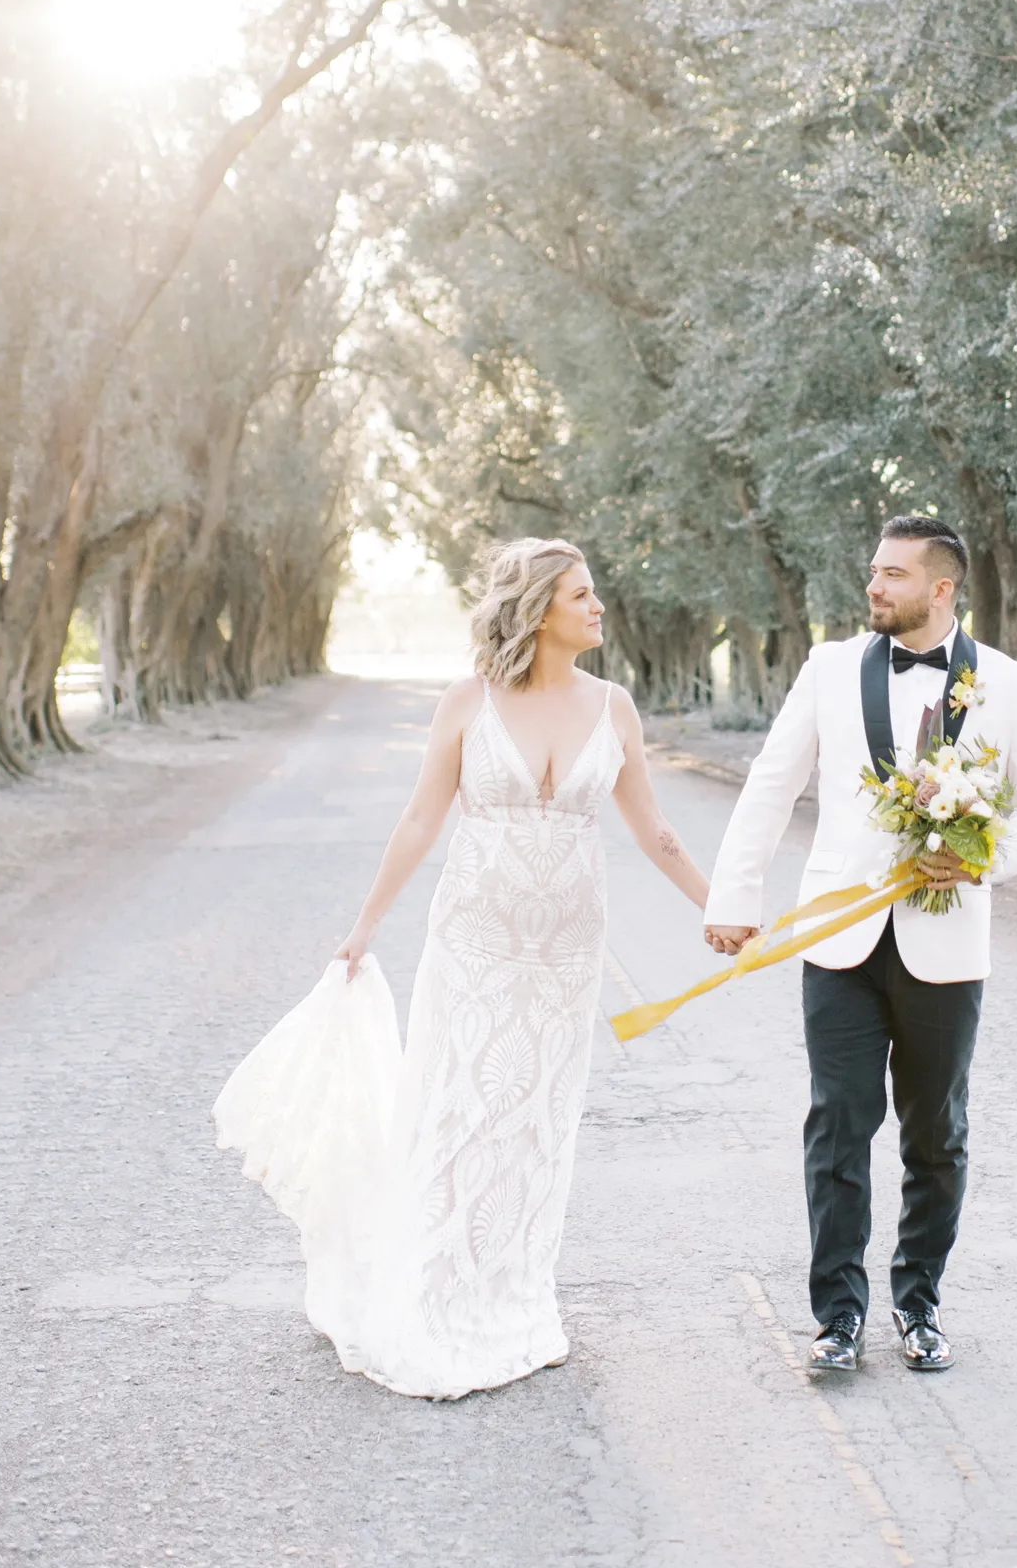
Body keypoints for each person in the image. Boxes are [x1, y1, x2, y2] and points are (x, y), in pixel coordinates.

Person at [214, 537, 710, 1400]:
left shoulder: (614, 706)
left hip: (565, 952)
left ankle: (512, 1289)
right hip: (475, 944)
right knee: (461, 1106)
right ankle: (436, 1289)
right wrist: (363, 929)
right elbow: (418, 821)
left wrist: (719, 907)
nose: (600, 609)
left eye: (596, 594)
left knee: (535, 1117)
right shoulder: (467, 703)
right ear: (540, 611)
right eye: (583, 596)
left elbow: (654, 830)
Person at [703, 514, 1017, 1376]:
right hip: (837, 939)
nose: (874, 586)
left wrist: (986, 859)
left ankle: (919, 1302)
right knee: (837, 1125)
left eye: (893, 575)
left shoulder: (1009, 684)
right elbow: (771, 781)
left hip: (947, 947)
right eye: (873, 570)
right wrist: (734, 895)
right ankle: (837, 1317)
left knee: (936, 1134)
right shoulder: (829, 669)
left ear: (941, 589)